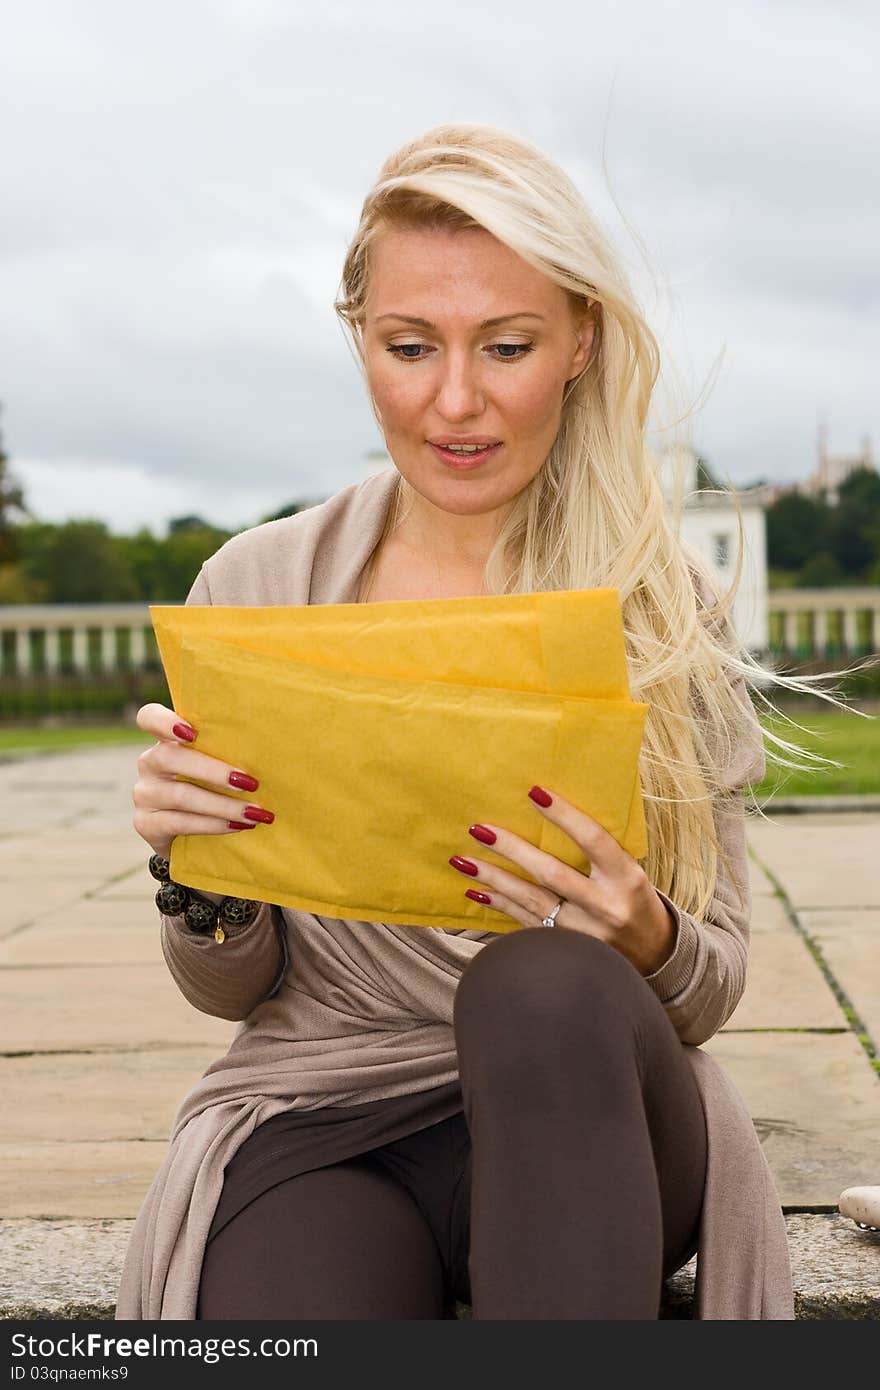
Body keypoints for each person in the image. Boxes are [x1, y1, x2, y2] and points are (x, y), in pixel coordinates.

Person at [115, 122, 857, 1322]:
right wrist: (202, 871)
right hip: (329, 1108)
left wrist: (641, 931)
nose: (454, 401)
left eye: (505, 346)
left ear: (580, 342)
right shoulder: (254, 590)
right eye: (410, 347)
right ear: (359, 339)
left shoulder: (661, 604)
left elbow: (710, 987)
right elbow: (230, 988)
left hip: (593, 1101)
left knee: (541, 986)